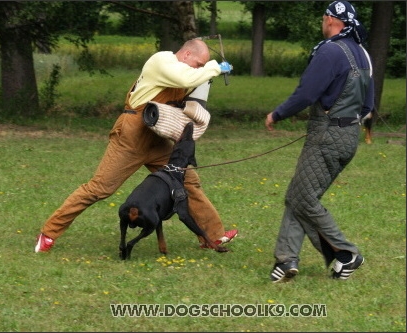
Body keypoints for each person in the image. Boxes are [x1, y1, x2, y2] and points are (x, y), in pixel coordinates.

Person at [35, 39, 238, 253]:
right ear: (186, 54)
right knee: (100, 188)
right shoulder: (162, 61)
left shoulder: (189, 72)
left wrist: (206, 80)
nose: (199, 68)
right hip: (132, 135)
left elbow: (190, 89)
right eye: (198, 63)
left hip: (156, 136)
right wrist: (214, 67)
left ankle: (214, 236)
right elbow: (184, 77)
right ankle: (48, 234)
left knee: (188, 181)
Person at [264, 1, 374, 282]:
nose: (322, 22)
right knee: (298, 196)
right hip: (348, 137)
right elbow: (368, 105)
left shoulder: (329, 51)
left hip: (326, 136)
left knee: (303, 199)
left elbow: (306, 93)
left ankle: (347, 254)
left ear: (330, 19)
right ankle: (286, 260)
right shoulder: (362, 54)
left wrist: (277, 114)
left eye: (323, 17)